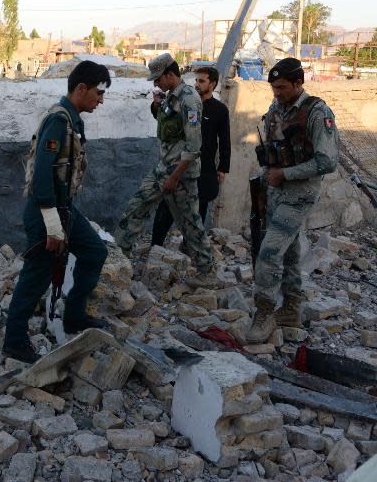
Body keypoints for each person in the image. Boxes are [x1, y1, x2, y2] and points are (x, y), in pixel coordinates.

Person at [2, 61, 112, 363]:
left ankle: (75, 316)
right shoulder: (58, 121)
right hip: (44, 212)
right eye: (98, 93)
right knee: (36, 275)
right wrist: (53, 225)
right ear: (81, 89)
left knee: (95, 252)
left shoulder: (73, 121)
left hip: (64, 210)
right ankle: (14, 339)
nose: (100, 100)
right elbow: (41, 179)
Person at [245, 57, 339, 343]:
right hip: (275, 190)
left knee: (270, 252)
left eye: (283, 87)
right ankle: (291, 309)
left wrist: (285, 173)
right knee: (289, 251)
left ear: (299, 83)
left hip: (300, 194)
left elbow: (328, 162)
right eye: (274, 87)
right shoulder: (277, 108)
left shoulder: (317, 112)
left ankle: (264, 312)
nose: (277, 92)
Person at [113, 53, 220, 288]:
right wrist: (158, 105)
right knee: (135, 208)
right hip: (163, 169)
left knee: (190, 223)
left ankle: (207, 270)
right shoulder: (171, 97)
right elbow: (168, 129)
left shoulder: (190, 99)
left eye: (158, 78)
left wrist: (174, 177)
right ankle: (116, 261)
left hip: (180, 174)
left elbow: (194, 147)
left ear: (170, 75)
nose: (155, 83)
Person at [151, 65, 230, 246]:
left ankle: (191, 250)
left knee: (198, 212)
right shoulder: (184, 101)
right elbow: (163, 119)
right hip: (178, 166)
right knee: (166, 208)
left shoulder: (219, 110)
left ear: (213, 84)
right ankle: (155, 247)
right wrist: (156, 104)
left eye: (202, 81)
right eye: (196, 80)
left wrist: (223, 168)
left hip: (204, 168)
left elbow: (225, 140)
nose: (197, 84)